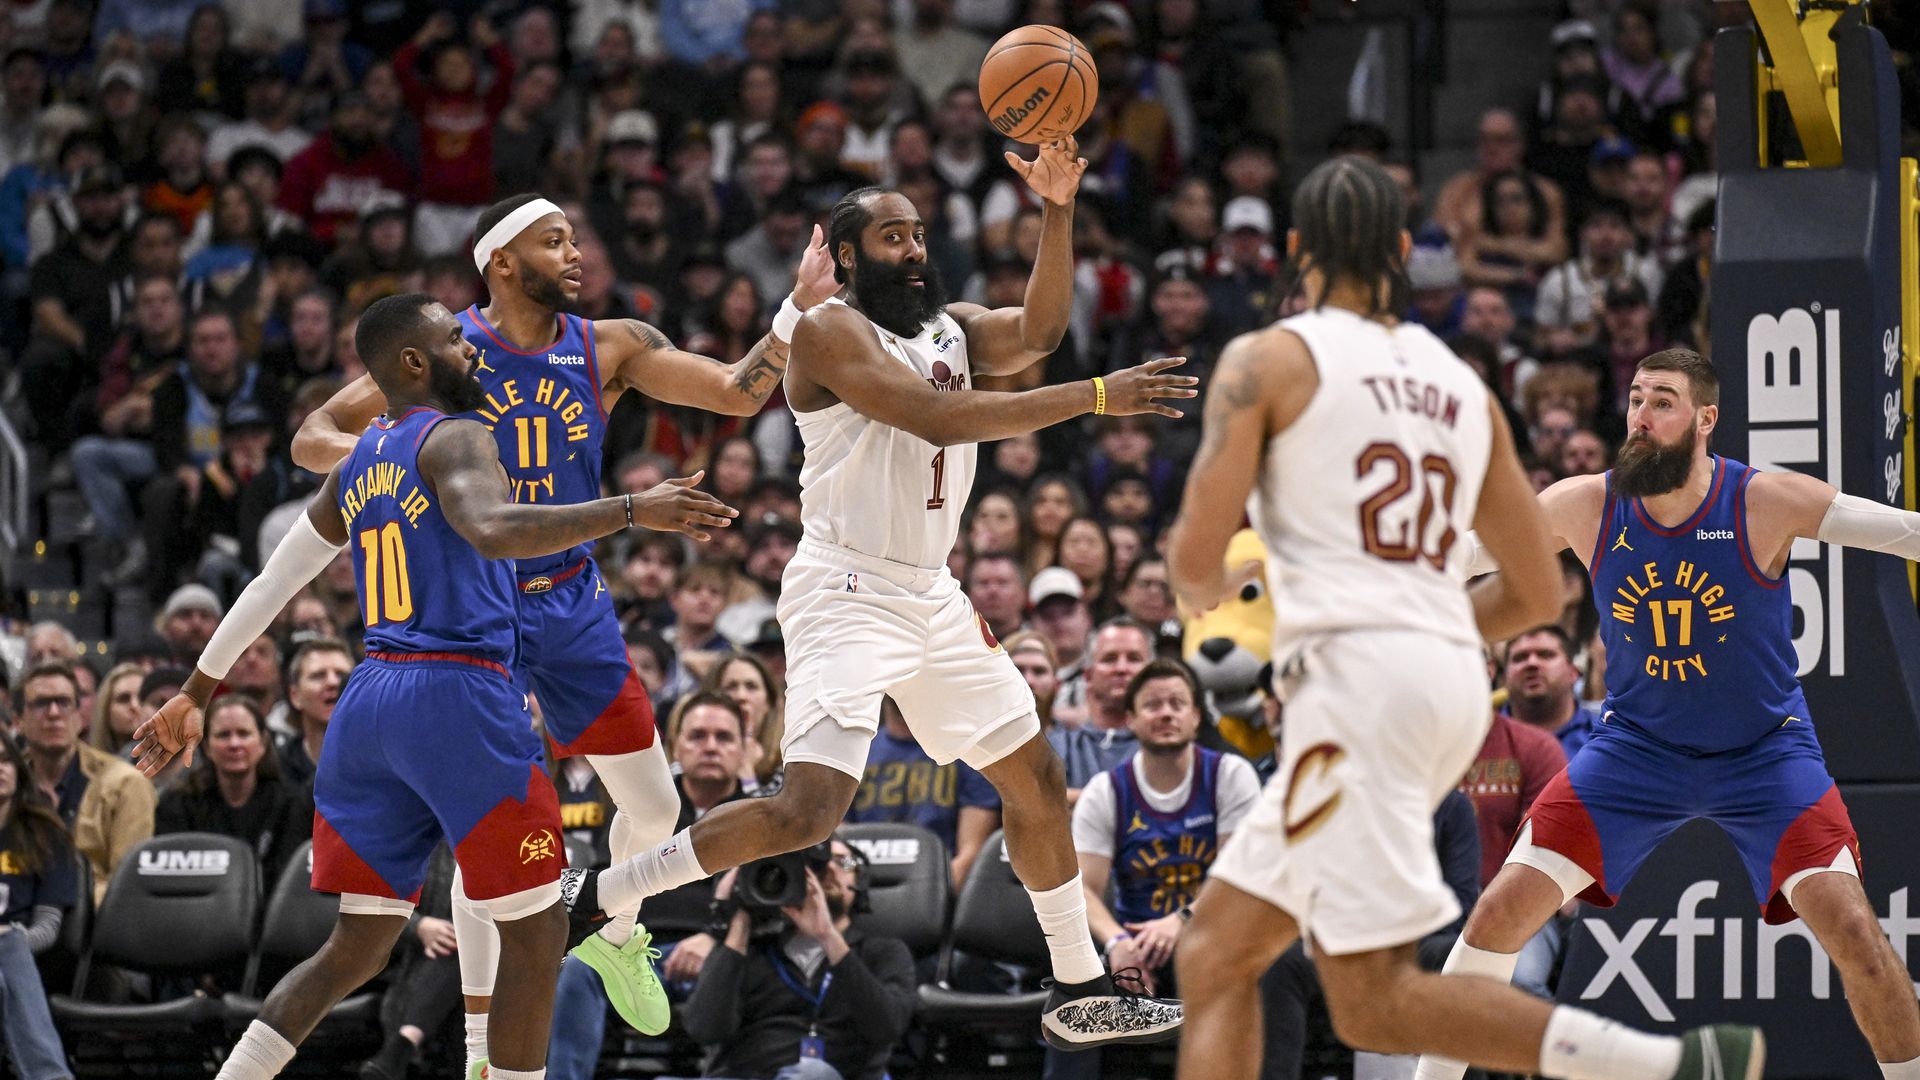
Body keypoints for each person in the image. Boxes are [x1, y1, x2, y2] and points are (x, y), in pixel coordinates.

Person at [561, 150, 1198, 1050]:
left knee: (1038, 779)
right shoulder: (827, 331)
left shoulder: (953, 327)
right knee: (807, 810)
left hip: (931, 591)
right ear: (850, 256)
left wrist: (1056, 209)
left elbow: (1045, 331)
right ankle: (603, 895)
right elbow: (935, 417)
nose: (913, 250)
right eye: (892, 236)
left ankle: (1077, 986)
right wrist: (1097, 398)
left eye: (920, 234)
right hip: (846, 589)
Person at [1165, 156, 1756, 1080]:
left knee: (1350, 992)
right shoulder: (1460, 384)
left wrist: (1240, 604)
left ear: (1293, 252)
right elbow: (1536, 594)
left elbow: (1197, 565)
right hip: (1448, 682)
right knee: (1244, 964)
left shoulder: (1269, 357)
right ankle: (1662, 1063)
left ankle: (1661, 1065)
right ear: (1404, 251)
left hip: (1360, 686)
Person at [132, 293, 735, 1080]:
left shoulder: (359, 457)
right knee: (538, 930)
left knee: (354, 948)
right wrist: (630, 508)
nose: (476, 348)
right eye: (456, 338)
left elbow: (272, 583)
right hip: (457, 694)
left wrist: (196, 690)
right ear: (414, 364)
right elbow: (493, 527)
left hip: (370, 702)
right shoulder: (457, 437)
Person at [290, 192, 838, 1055]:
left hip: (572, 597)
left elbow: (737, 393)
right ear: (502, 261)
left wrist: (795, 309)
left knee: (655, 810)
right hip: (476, 608)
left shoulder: (610, 343)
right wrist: (384, 451)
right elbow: (312, 434)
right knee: (489, 838)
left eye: (576, 237)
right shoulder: (448, 349)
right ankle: (478, 1050)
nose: (576, 253)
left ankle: (615, 931)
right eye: (555, 241)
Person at [1419, 347, 1920, 1080]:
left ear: (1705, 418)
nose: (1642, 417)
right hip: (1636, 751)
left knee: (1855, 932)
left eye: (1663, 401)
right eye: (1635, 399)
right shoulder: (1585, 502)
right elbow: (1457, 556)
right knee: (1496, 916)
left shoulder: (1763, 500)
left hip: (1764, 753)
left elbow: (1903, 532)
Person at [1066, 660, 1260, 1080]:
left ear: (1195, 716)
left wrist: (1182, 920)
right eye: (1153, 705)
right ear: (1131, 720)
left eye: (1177, 703)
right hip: (1139, 946)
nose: (1167, 713)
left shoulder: (1230, 775)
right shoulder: (1106, 791)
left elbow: (1238, 878)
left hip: (1213, 935)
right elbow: (1083, 890)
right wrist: (1117, 942)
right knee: (1075, 986)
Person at [681, 835, 916, 1080]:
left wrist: (827, 935)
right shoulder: (748, 950)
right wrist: (740, 920)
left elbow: (887, 1027)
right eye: (813, 864)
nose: (829, 868)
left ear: (861, 883)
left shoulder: (884, 952)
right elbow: (704, 1029)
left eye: (844, 862)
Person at [16, 662, 155, 906]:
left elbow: (128, 885)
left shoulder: (125, 784)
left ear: (80, 716)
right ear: (20, 720)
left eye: (64, 702)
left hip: (94, 926)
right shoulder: (8, 782)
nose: (53, 713)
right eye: (40, 704)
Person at [154, 697, 312, 887]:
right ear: (206, 747)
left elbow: (291, 880)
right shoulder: (177, 804)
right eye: (223, 735)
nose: (234, 744)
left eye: (244, 734)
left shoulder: (289, 803)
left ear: (262, 743)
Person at [845, 696, 1000, 889]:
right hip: (861, 891)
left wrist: (927, 903)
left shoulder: (969, 751)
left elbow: (972, 852)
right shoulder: (855, 752)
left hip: (937, 894)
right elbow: (839, 843)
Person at [0, 736, 78, 1080]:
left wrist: (10, 939)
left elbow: (48, 926)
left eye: (5, 759)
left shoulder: (46, 834)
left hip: (23, 959)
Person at [1500, 625, 1600, 760]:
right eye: (1520, 658)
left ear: (1573, 673)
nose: (1531, 663)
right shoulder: (1479, 739)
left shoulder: (1607, 736)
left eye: (1546, 655)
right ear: (1505, 678)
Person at [273, 639, 354, 787]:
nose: (332, 682)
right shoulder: (276, 768)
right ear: (295, 696)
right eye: (318, 675)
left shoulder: (380, 762)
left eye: (341, 675)